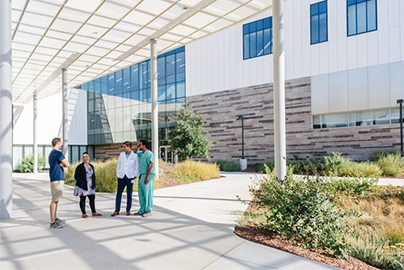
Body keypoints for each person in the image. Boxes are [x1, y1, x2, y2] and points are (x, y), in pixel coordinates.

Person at [111, 141, 139, 216]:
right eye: (123, 147)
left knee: (129, 194)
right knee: (118, 194)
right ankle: (117, 210)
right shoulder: (121, 155)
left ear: (129, 147)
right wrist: (118, 174)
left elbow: (137, 167)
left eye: (124, 147)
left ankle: (128, 210)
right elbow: (119, 165)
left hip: (130, 177)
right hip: (121, 177)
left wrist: (135, 175)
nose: (123, 148)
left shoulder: (135, 156)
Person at [48, 138, 70, 229]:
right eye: (60, 143)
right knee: (54, 200)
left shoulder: (51, 154)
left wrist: (61, 164)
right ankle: (53, 222)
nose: (61, 145)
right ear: (57, 143)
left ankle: (55, 218)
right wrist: (63, 164)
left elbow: (62, 164)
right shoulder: (58, 153)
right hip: (57, 179)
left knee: (56, 200)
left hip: (55, 178)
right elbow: (67, 164)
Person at [74, 152, 102, 218]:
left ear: (89, 158)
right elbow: (76, 176)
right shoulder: (80, 167)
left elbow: (93, 175)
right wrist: (81, 183)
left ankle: (94, 212)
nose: (85, 158)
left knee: (92, 199)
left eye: (86, 156)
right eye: (83, 157)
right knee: (83, 199)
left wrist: (94, 184)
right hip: (83, 186)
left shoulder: (91, 166)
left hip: (90, 186)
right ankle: (84, 213)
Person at [133, 140, 155, 217]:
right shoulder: (141, 153)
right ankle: (142, 210)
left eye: (141, 144)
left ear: (144, 145)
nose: (140, 146)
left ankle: (148, 210)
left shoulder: (150, 153)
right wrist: (136, 147)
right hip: (141, 175)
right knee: (141, 194)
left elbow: (150, 165)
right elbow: (133, 154)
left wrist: (147, 177)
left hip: (147, 176)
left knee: (148, 194)